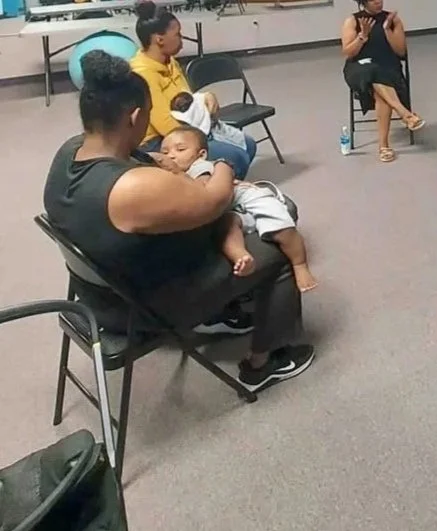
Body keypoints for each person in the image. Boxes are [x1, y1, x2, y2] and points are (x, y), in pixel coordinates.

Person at [43, 50, 314, 393]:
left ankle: (224, 311)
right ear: (136, 116)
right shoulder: (130, 188)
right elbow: (215, 200)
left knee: (243, 223)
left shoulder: (70, 152)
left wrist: (162, 163)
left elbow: (146, 160)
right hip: (140, 308)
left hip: (97, 291)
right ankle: (267, 361)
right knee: (276, 243)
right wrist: (222, 167)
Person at [159, 126, 317, 292]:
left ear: (201, 155)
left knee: (280, 225)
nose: (171, 155)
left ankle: (299, 264)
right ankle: (241, 257)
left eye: (180, 149)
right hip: (227, 209)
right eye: (165, 152)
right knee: (226, 227)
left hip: (246, 197)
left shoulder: (199, 167)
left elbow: (204, 193)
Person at [129, 1, 257, 178]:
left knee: (248, 144)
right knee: (236, 156)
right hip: (158, 142)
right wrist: (201, 137)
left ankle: (215, 186)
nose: (182, 39)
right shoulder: (142, 73)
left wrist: (206, 97)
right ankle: (212, 194)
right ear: (159, 39)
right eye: (178, 34)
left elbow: (186, 99)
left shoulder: (169, 61)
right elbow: (166, 126)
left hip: (185, 129)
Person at [341, 0, 425, 163]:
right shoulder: (353, 21)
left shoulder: (392, 20)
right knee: (373, 73)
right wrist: (363, 36)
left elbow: (401, 50)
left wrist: (387, 29)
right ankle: (404, 115)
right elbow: (349, 53)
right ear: (363, 2)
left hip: (388, 69)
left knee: (380, 85)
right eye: (372, 0)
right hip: (360, 69)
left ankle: (385, 145)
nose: (378, 2)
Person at [171, 90, 248, 153]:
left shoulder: (196, 100)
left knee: (248, 143)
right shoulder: (179, 117)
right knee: (238, 152)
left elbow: (195, 96)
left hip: (212, 128)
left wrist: (207, 96)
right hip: (195, 138)